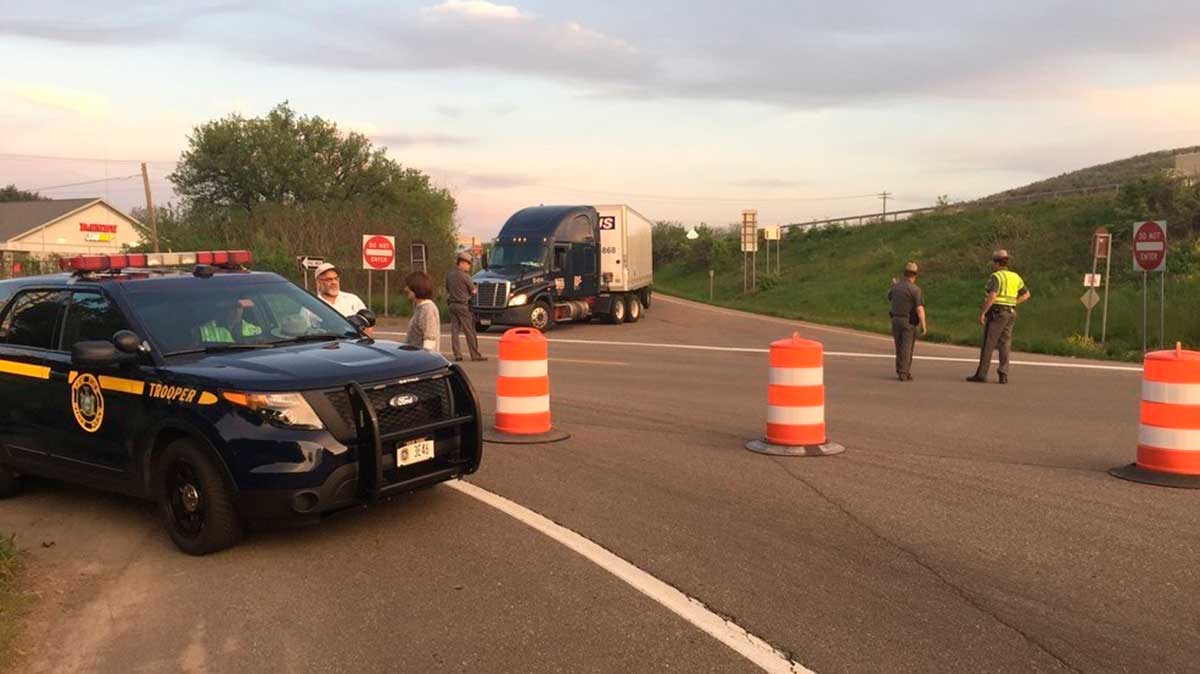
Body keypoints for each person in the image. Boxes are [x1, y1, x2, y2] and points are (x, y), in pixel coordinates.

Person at [966, 249, 1031, 384]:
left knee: (988, 344)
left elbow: (992, 296)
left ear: (996, 263)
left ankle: (982, 374)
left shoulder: (996, 277)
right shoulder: (1015, 276)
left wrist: (984, 312)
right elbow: (1026, 294)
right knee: (1005, 344)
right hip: (1011, 313)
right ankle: (1003, 374)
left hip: (997, 313)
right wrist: (1013, 303)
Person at [887, 261, 927, 381]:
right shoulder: (915, 290)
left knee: (899, 347)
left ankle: (900, 369)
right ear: (915, 275)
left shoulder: (896, 287)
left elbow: (889, 297)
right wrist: (924, 325)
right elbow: (919, 309)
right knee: (907, 347)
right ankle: (904, 372)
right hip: (908, 321)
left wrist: (894, 285)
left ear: (905, 273)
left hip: (895, 319)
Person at [445, 252, 486, 362]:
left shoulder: (449, 275)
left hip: (452, 305)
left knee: (455, 331)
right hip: (463, 306)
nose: (469, 266)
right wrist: (476, 289)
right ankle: (475, 354)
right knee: (469, 331)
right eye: (468, 263)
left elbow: (447, 289)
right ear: (462, 263)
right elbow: (473, 291)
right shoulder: (465, 276)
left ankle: (457, 354)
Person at [314, 262, 372, 337]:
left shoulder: (352, 299)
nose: (334, 282)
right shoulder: (311, 305)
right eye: (329, 279)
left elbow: (368, 324)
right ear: (318, 282)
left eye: (336, 278)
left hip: (353, 346)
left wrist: (363, 343)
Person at [404, 271, 441, 352]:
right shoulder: (420, 307)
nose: (405, 289)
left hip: (421, 360)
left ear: (417, 288)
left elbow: (429, 339)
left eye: (408, 287)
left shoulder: (427, 309)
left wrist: (425, 359)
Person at [198, 298, 262, 343]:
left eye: (239, 307)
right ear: (223, 309)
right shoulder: (204, 331)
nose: (237, 311)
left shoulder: (255, 330)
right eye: (232, 307)